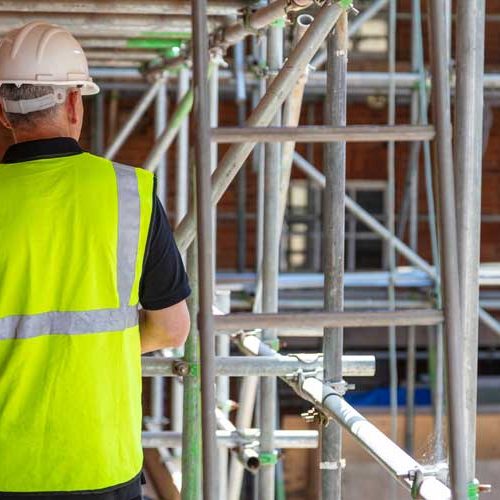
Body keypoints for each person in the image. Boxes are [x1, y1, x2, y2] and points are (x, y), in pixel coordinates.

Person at [0, 21, 191, 499]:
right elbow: (171, 329)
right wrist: (93, 354)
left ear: (4, 113)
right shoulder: (133, 193)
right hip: (101, 464)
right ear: (72, 103)